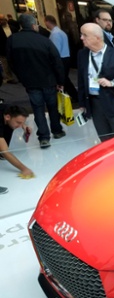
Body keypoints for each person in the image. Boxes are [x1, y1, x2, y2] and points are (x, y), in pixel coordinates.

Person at [7, 14, 66, 149]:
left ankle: (44, 138)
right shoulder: (44, 40)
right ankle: (57, 131)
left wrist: (21, 77)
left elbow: (11, 62)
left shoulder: (12, 40)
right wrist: (60, 80)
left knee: (38, 108)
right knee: (52, 107)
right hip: (48, 80)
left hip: (30, 82)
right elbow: (57, 62)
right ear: (34, 25)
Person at [77, 23, 114, 142]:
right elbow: (81, 80)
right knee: (104, 139)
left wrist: (112, 83)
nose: (81, 38)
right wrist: (82, 103)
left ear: (97, 37)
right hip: (94, 103)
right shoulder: (82, 55)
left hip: (113, 101)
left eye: (85, 35)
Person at [44, 15, 78, 101]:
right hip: (65, 57)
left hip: (61, 59)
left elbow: (56, 50)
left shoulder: (55, 34)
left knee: (62, 79)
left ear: (47, 22)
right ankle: (74, 95)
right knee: (64, 79)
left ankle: (72, 96)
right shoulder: (61, 32)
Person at [0, 104, 34, 178]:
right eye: (18, 122)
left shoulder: (9, 109)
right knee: (3, 150)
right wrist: (24, 169)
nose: (19, 126)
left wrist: (24, 126)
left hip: (6, 122)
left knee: (10, 127)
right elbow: (4, 151)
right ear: (7, 117)